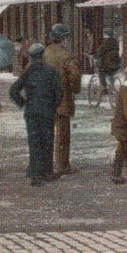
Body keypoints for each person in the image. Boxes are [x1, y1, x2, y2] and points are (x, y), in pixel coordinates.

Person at [9, 42, 61, 186]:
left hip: (31, 111)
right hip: (46, 111)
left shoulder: (28, 72)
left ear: (31, 56)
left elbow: (13, 90)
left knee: (34, 142)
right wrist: (53, 105)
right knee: (47, 141)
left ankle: (35, 173)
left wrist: (23, 102)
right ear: (43, 55)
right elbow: (59, 93)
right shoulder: (51, 71)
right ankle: (46, 172)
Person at [43, 23, 81, 175]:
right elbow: (75, 76)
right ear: (63, 39)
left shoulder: (44, 53)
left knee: (46, 132)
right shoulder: (67, 56)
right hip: (62, 99)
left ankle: (46, 164)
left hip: (46, 99)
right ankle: (62, 164)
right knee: (62, 134)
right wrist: (74, 89)